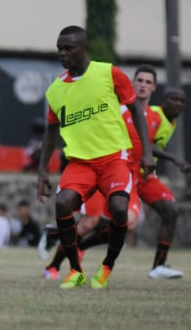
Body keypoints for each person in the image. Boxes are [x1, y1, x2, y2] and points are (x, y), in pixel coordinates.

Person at [40, 66, 189, 280]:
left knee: (142, 217)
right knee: (89, 223)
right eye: (139, 80)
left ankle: (158, 265)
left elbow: (148, 143)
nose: (143, 85)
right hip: (108, 169)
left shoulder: (159, 119)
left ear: (154, 87)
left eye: (148, 82)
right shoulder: (116, 106)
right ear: (132, 82)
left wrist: (156, 158)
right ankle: (53, 266)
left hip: (135, 177)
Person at [37, 25, 155, 289]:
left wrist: (146, 152)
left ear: (83, 48)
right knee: (62, 203)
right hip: (81, 163)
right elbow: (50, 132)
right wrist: (42, 170)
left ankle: (107, 265)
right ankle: (75, 271)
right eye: (59, 49)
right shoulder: (55, 90)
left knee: (119, 210)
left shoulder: (109, 73)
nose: (62, 53)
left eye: (68, 48)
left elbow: (135, 109)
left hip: (114, 158)